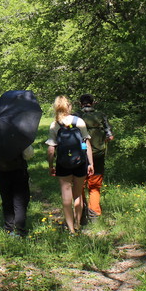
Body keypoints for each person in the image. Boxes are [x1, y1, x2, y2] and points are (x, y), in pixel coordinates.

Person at [46, 95, 93, 234]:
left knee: (66, 197)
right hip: (80, 163)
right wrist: (90, 163)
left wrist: (50, 165)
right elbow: (87, 143)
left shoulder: (54, 125)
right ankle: (78, 223)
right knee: (78, 194)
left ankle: (71, 229)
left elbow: (51, 149)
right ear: (69, 106)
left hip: (63, 164)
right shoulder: (79, 121)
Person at [76, 94, 114, 221]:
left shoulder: (76, 117)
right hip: (98, 154)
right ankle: (95, 214)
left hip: (80, 155)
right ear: (93, 103)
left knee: (79, 184)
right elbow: (110, 135)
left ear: (80, 103)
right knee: (95, 185)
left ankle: (81, 212)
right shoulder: (101, 115)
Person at [0, 144, 34, 237]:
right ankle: (20, 229)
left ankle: (8, 228)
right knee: (20, 201)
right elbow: (28, 154)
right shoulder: (19, 135)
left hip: (2, 172)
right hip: (19, 171)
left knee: (6, 200)